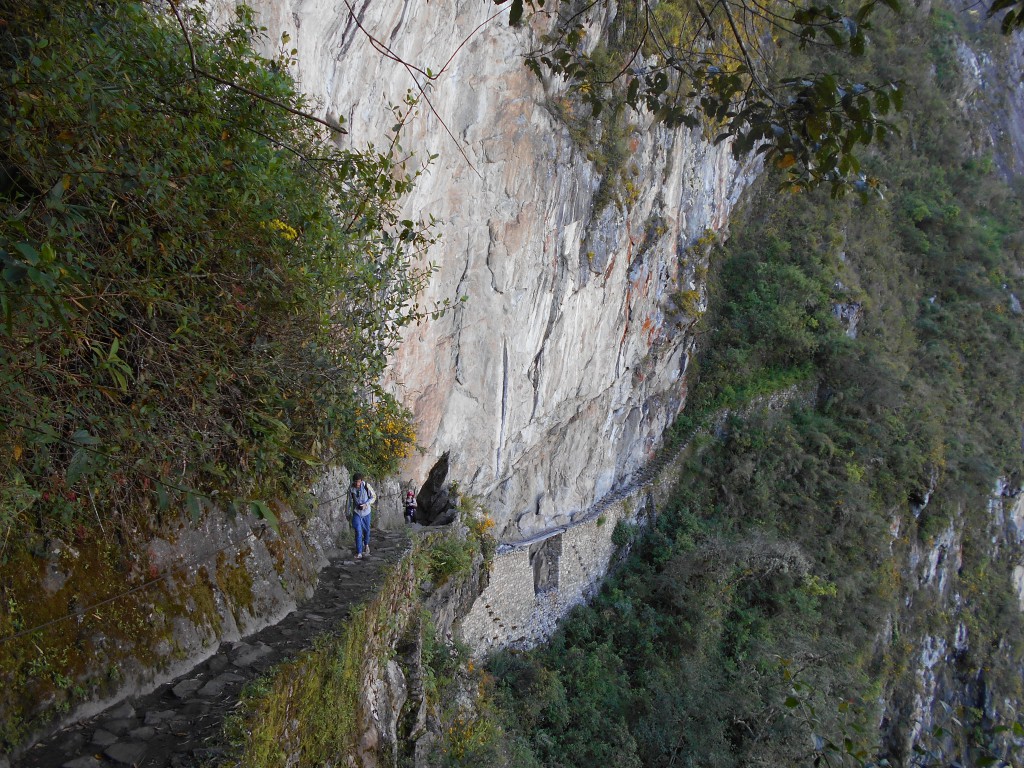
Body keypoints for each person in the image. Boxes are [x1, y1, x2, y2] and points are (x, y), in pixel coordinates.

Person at [347, 474, 376, 559]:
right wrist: (347, 513)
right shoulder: (351, 488)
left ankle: (366, 544)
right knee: (358, 531)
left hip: (366, 512)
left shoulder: (366, 486)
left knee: (367, 530)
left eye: (358, 481)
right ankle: (359, 552)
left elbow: (373, 497)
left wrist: (366, 504)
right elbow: (348, 501)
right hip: (357, 512)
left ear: (361, 480)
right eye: (355, 481)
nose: (357, 483)